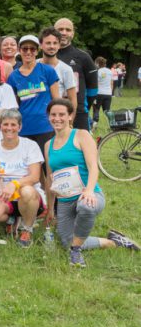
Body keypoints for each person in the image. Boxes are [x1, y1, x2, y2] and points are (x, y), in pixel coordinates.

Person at [44, 99, 138, 267]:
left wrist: (88, 191)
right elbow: (50, 178)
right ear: (48, 117)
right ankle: (115, 241)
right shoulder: (48, 145)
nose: (57, 118)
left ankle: (76, 253)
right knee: (66, 241)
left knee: (85, 206)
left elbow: (93, 167)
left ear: (70, 116)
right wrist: (51, 208)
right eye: (53, 115)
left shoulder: (81, 135)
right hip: (65, 200)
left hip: (89, 195)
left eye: (62, 115)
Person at [0, 109, 46, 248]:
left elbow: (35, 177)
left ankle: (26, 230)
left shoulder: (30, 145)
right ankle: (13, 219)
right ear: (0, 127)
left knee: (27, 191)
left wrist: (14, 184)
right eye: (5, 124)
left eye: (13, 124)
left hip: (29, 197)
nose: (9, 128)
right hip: (6, 198)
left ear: (20, 127)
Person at [6, 35, 60, 153]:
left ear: (37, 50)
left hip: (46, 126)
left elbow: (57, 101)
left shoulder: (48, 71)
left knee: (48, 165)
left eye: (32, 49)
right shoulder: (13, 77)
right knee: (29, 167)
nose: (28, 52)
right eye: (25, 49)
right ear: (19, 50)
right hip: (24, 127)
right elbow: (13, 106)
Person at [55, 18, 98, 130]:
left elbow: (93, 89)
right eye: (60, 29)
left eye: (68, 30)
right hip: (52, 113)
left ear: (72, 34)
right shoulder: (45, 58)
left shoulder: (83, 57)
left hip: (78, 113)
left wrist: (81, 105)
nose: (64, 33)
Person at [39, 27, 77, 117]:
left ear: (59, 45)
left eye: (55, 43)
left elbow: (73, 99)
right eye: (48, 43)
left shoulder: (66, 69)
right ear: (40, 45)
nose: (52, 46)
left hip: (56, 117)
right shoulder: (33, 65)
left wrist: (70, 120)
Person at [93, 57, 113, 126]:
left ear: (98, 64)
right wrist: (110, 92)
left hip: (99, 93)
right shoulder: (110, 71)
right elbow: (111, 83)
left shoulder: (98, 72)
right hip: (108, 93)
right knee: (107, 111)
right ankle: (112, 124)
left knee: (96, 109)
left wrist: (94, 95)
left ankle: (94, 125)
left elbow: (96, 84)